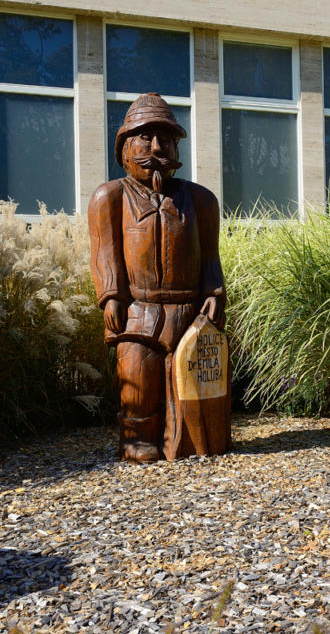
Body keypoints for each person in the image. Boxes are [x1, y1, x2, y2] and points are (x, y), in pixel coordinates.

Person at [88, 93, 225, 462]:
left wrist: (213, 289)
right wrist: (111, 295)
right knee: (138, 381)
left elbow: (210, 254)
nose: (155, 148)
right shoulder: (110, 197)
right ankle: (137, 437)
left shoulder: (200, 200)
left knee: (190, 385)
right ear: (124, 147)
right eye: (144, 138)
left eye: (165, 140)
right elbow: (104, 252)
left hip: (189, 311)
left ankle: (191, 439)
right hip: (138, 311)